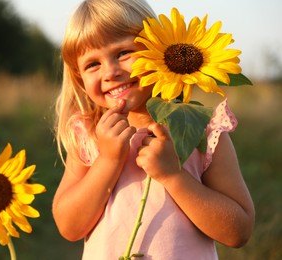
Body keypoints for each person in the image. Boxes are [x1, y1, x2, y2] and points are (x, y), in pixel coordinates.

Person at [52, 0, 255, 259]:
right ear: (80, 78)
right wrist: (108, 159)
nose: (111, 72)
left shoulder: (201, 130)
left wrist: (174, 176)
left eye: (123, 53)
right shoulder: (89, 134)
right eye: (92, 64)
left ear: (157, 49)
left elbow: (238, 231)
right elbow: (69, 226)